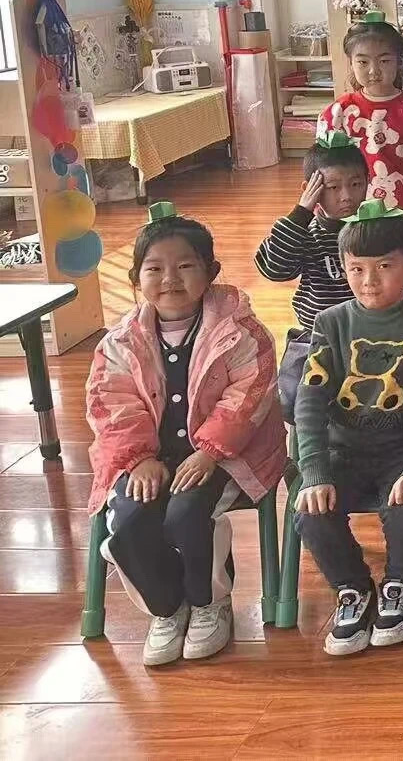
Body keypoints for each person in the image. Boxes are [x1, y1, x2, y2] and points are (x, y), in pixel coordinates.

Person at [86, 206, 287, 667]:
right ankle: (167, 608)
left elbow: (250, 395)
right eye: (154, 269)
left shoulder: (240, 331)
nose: (169, 279)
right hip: (145, 459)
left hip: (225, 455)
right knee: (129, 522)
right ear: (136, 278)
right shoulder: (119, 342)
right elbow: (111, 403)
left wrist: (210, 452)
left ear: (211, 272)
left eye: (184, 266)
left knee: (188, 514)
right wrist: (139, 458)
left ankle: (208, 601)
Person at [293, 202, 403, 655]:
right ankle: (353, 588)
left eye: (384, 267)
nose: (369, 280)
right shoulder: (330, 322)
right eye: (357, 269)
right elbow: (309, 400)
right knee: (310, 512)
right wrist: (314, 472)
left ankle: (400, 589)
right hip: (344, 452)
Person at [258, 131, 403, 418]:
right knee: (296, 404)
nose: (346, 196)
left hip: (381, 337)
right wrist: (301, 212)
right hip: (320, 340)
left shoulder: (385, 229)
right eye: (332, 187)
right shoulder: (306, 233)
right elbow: (274, 269)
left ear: (368, 182)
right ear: (310, 189)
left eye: (355, 184)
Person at [318, 14, 403, 244]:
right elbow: (322, 167)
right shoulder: (337, 113)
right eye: (363, 62)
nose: (373, 71)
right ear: (350, 62)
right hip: (350, 216)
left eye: (384, 61)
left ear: (400, 61)